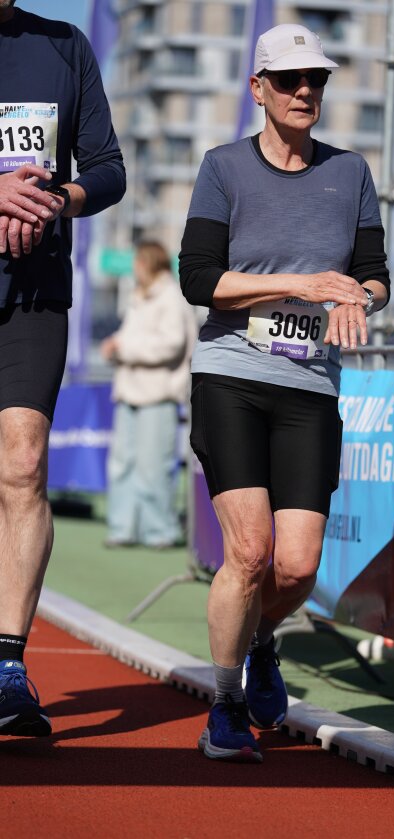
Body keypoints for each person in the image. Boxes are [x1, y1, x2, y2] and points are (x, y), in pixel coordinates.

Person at [179, 23, 390, 763]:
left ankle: (261, 640)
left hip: (309, 384)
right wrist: (301, 283)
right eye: (290, 79)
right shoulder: (223, 167)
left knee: (296, 566)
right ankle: (225, 705)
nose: (305, 91)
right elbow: (198, 279)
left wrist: (358, 297)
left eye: (317, 80)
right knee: (249, 550)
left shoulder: (350, 172)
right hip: (231, 374)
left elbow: (374, 274)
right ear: (258, 88)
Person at [0, 2, 125, 737]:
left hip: (34, 291)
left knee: (24, 464)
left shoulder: (64, 45)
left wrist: (57, 198)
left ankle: (7, 664)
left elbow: (107, 171)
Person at [101, 241, 197, 549]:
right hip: (129, 391)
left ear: (147, 263)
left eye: (137, 261)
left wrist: (123, 348)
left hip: (158, 394)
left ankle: (160, 531)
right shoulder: (139, 295)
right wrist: (115, 344)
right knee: (122, 464)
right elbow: (132, 336)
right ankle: (123, 528)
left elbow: (171, 345)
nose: (134, 267)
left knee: (154, 466)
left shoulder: (171, 297)